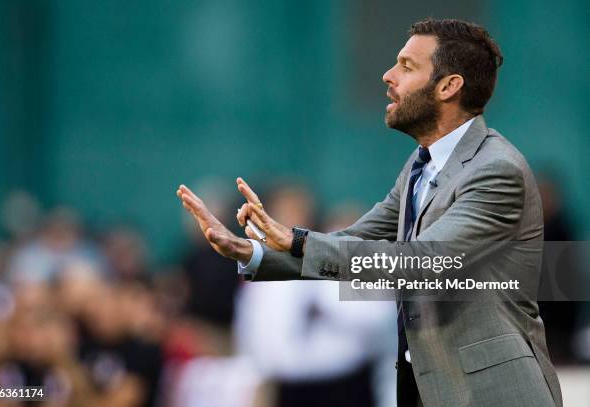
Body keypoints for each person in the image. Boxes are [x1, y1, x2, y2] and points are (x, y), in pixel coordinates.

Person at [177, 18, 562, 407]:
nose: (388, 75)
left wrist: (299, 241)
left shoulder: (497, 169)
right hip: (430, 390)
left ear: (449, 86)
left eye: (407, 66)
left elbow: (423, 263)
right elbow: (354, 242)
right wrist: (255, 252)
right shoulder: (420, 164)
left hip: (494, 394)